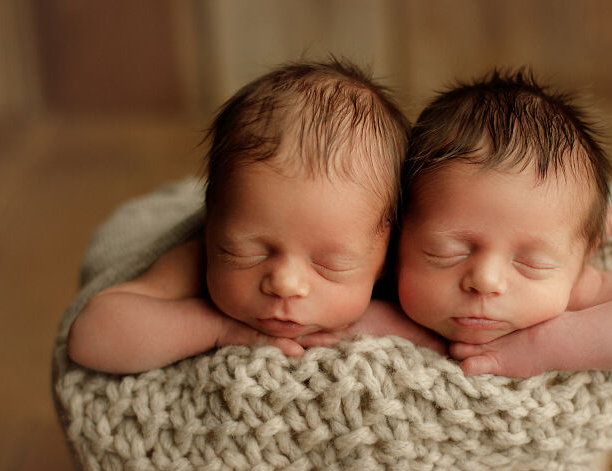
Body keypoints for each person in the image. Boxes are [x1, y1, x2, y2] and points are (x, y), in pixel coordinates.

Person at [67, 59, 439, 374]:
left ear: (386, 259)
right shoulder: (193, 263)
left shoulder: (406, 291)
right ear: (211, 226)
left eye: (330, 263)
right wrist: (215, 328)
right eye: (247, 252)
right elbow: (90, 337)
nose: (284, 282)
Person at [395, 69, 612, 377]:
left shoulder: (576, 285)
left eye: (531, 263)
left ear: (583, 255)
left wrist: (544, 346)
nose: (486, 280)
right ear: (398, 235)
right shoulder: (383, 293)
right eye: (446, 252)